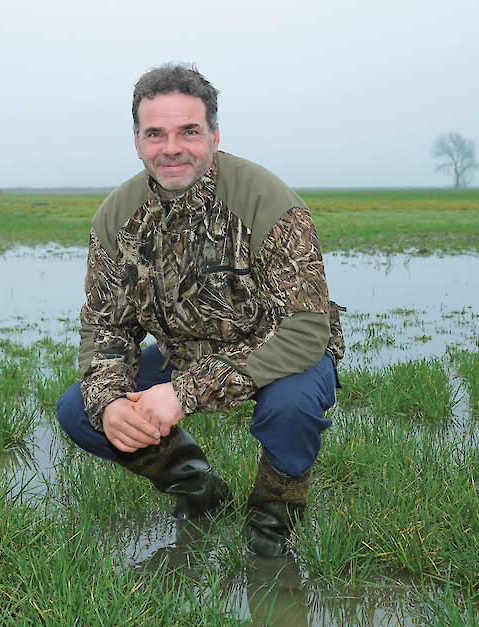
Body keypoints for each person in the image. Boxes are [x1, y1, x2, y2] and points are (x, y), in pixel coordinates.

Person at [56, 63, 344, 557]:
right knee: (79, 411)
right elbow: (106, 327)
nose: (171, 147)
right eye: (156, 133)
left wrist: (183, 395)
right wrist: (109, 403)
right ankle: (202, 494)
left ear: (213, 135)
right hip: (181, 354)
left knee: (291, 407)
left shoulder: (266, 199)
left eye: (188, 131)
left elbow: (303, 329)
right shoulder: (115, 217)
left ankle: (274, 522)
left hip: (281, 352)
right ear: (137, 141)